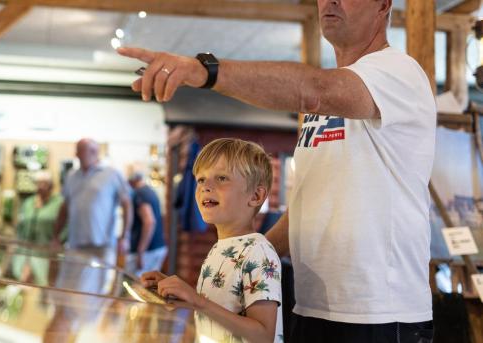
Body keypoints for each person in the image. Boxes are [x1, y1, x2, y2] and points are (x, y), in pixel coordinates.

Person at [118, 0, 436, 341]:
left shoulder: (397, 72)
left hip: (380, 316)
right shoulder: (330, 103)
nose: (330, 1)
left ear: (383, 5)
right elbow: (305, 210)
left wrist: (204, 71)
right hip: (313, 307)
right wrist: (238, 267)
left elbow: (313, 91)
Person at [141, 138, 283, 343]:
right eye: (200, 179)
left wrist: (197, 301)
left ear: (256, 195)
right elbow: (216, 312)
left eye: (222, 178)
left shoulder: (258, 252)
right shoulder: (218, 249)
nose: (205, 187)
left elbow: (263, 335)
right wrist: (178, 294)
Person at [53, 138, 132, 266]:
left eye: (80, 151)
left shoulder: (112, 174)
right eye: (77, 151)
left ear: (94, 152)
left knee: (98, 286)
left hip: (101, 246)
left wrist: (125, 237)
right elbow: (65, 208)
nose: (76, 154)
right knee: (72, 285)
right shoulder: (71, 176)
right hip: (75, 245)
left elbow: (127, 205)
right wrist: (56, 235)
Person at [12, 170, 64, 285]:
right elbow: (20, 227)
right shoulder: (28, 203)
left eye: (44, 183)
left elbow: (65, 228)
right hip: (24, 253)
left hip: (46, 255)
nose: (40, 187)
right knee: (22, 284)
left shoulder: (59, 203)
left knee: (43, 285)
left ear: (51, 186)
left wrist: (58, 242)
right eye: (38, 183)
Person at [124, 170, 167, 277]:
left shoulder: (139, 193)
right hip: (157, 247)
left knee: (132, 285)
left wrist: (140, 252)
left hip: (147, 251)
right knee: (149, 286)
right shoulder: (150, 191)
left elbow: (149, 221)